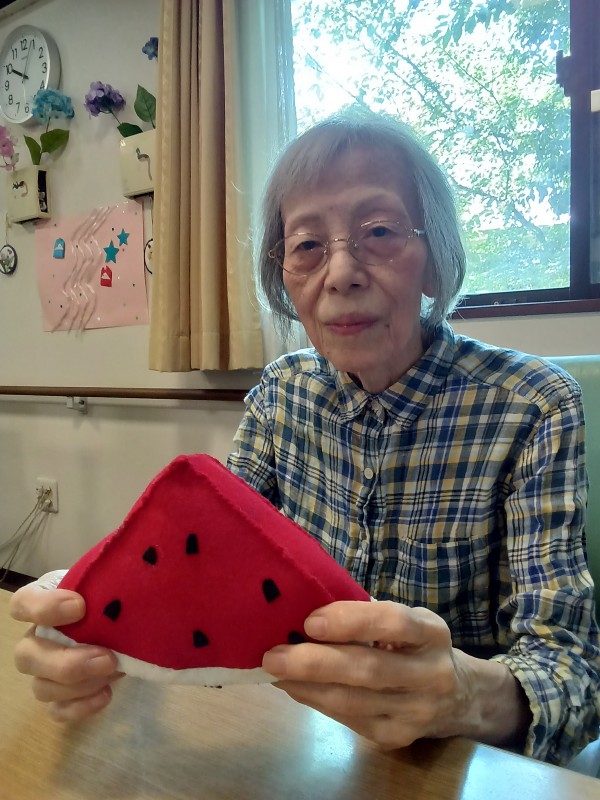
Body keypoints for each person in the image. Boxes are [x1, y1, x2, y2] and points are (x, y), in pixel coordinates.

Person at [10, 109, 600, 767]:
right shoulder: (280, 392)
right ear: (284, 277)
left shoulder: (533, 406)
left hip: (456, 763)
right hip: (294, 744)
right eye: (308, 245)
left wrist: (466, 696)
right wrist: (87, 614)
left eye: (379, 232)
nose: (340, 272)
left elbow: (573, 671)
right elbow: (200, 567)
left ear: (435, 261)